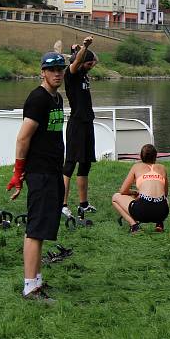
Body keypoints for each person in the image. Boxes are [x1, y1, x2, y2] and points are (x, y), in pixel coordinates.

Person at [6, 52, 67, 302]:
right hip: (39, 172)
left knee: (43, 227)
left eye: (60, 69)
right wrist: (19, 172)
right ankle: (30, 288)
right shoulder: (38, 99)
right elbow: (23, 138)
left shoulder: (57, 99)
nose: (57, 73)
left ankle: (37, 281)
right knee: (35, 228)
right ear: (42, 72)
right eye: (52, 69)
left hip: (53, 171)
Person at [61, 36, 98, 218]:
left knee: (85, 164)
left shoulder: (83, 73)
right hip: (76, 123)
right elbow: (76, 64)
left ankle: (83, 204)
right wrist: (84, 47)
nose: (92, 66)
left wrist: (77, 50)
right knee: (70, 164)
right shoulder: (72, 73)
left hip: (87, 122)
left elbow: (95, 59)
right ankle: (63, 204)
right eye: (89, 64)